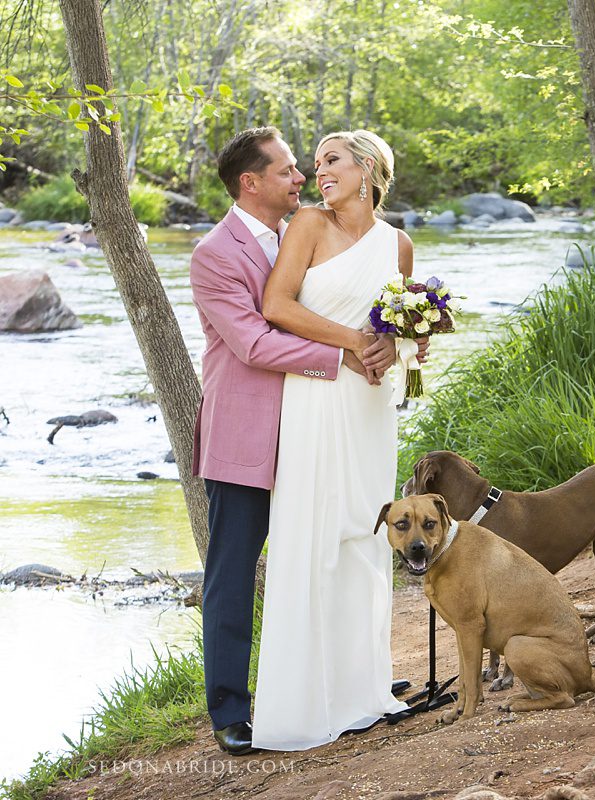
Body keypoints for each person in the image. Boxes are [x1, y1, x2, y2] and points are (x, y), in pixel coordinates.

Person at [189, 127, 404, 756]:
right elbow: (253, 343)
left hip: (318, 427)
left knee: (331, 547)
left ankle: (341, 682)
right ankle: (231, 709)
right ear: (250, 183)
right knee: (233, 570)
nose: (301, 178)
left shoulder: (306, 232)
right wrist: (346, 353)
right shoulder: (214, 254)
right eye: (288, 170)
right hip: (248, 434)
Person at [252, 129, 418, 751]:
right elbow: (276, 305)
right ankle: (303, 703)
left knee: (364, 534)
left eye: (331, 161)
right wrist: (350, 343)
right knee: (315, 534)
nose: (318, 172)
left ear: (369, 168)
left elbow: (395, 323)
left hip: (371, 403)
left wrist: (393, 348)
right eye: (315, 163)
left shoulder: (398, 244)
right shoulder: (308, 227)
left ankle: (363, 692)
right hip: (318, 399)